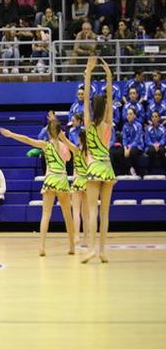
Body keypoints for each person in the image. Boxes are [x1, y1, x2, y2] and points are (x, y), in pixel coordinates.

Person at [0, 121, 75, 257]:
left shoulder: (46, 145)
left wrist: (11, 134)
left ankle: (41, 247)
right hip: (62, 179)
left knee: (45, 215)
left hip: (50, 179)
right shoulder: (64, 146)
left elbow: (28, 140)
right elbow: (69, 158)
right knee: (67, 215)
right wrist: (64, 142)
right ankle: (71, 246)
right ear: (60, 132)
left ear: (48, 132)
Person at [82, 56, 117, 264]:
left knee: (92, 210)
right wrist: (109, 76)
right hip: (107, 166)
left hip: (94, 166)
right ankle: (103, 250)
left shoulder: (88, 123)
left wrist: (88, 73)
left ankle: (91, 249)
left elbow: (85, 98)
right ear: (104, 109)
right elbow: (110, 98)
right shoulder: (108, 123)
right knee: (104, 212)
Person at [59, 130, 90, 245]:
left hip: (77, 181)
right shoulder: (90, 152)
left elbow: (65, 141)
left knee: (76, 211)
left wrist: (61, 134)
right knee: (86, 214)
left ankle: (76, 236)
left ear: (80, 139)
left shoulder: (77, 150)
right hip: (87, 182)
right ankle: (86, 239)